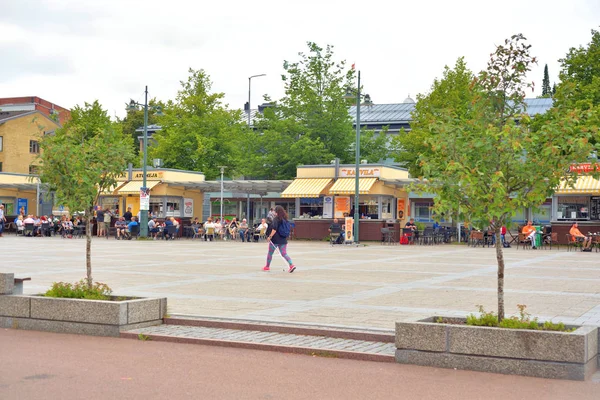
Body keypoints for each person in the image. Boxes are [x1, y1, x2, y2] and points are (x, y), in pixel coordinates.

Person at [263, 205, 296, 273]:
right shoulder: (285, 219)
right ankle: (291, 265)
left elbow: (274, 229)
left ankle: (267, 266)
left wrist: (270, 237)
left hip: (275, 239)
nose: (274, 212)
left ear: (276, 212)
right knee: (284, 253)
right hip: (283, 239)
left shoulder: (276, 219)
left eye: (274, 211)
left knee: (270, 253)